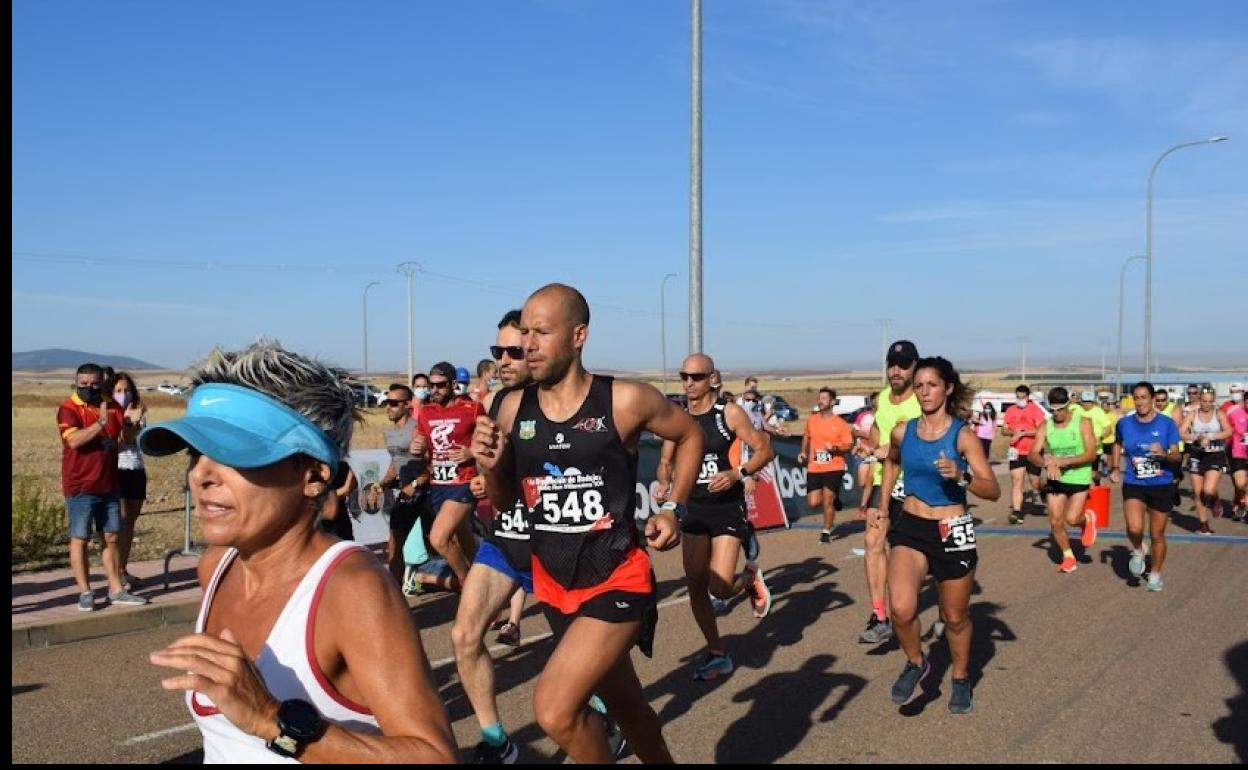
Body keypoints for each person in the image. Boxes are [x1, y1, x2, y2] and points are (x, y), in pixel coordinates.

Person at [141, 341, 457, 762]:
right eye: (196, 454)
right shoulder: (216, 567)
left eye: (233, 454)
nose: (200, 475)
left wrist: (271, 719)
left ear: (313, 475)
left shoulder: (350, 589)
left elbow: (435, 757)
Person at [472, 283, 701, 763]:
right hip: (555, 585)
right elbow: (505, 499)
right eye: (524, 333)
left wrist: (674, 508)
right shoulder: (512, 408)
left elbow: (690, 434)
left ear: (579, 335)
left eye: (541, 332)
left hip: (618, 576)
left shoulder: (624, 400)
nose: (528, 344)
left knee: (554, 710)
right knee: (628, 705)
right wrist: (492, 466)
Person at [874, 356, 999, 714]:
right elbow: (892, 460)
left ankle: (960, 678)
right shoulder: (903, 430)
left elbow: (992, 490)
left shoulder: (963, 435)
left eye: (932, 384)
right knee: (901, 608)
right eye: (919, 385)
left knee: (955, 617)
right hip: (911, 527)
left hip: (952, 529)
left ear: (947, 388)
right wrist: (882, 505)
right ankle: (917, 663)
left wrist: (961, 476)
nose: (925, 391)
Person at [452, 309, 539, 763]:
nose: (503, 360)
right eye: (496, 351)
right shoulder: (499, 402)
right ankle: (497, 741)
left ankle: (608, 711)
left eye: (513, 351)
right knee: (464, 637)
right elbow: (495, 465)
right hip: (505, 539)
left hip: (557, 546)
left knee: (582, 661)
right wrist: (486, 474)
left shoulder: (566, 402)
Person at [656, 353, 774, 681]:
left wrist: (737, 474)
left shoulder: (728, 413)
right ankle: (717, 652)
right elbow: (665, 460)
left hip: (725, 508)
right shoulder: (676, 415)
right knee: (696, 586)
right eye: (684, 376)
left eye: (696, 377)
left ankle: (750, 579)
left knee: (719, 589)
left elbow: (765, 450)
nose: (689, 383)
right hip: (692, 508)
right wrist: (664, 483)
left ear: (712, 379)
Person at [58, 363, 148, 611]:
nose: (89, 388)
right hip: (81, 485)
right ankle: (85, 592)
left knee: (111, 536)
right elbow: (74, 441)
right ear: (76, 383)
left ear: (102, 383)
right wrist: (100, 423)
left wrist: (133, 424)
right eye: (83, 384)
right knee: (80, 538)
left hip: (109, 484)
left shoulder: (114, 406)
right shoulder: (69, 408)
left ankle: (116, 589)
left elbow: (124, 440)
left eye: (94, 384)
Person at [857, 340, 921, 645]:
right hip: (885, 480)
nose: (896, 371)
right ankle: (879, 616)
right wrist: (869, 446)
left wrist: (891, 448)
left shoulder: (923, 399)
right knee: (873, 542)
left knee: (909, 553)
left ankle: (906, 606)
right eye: (891, 365)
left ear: (914, 368)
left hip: (916, 484)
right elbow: (877, 434)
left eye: (903, 365)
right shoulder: (883, 397)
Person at [413, 362, 485, 587]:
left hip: (463, 482)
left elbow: (493, 438)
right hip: (438, 485)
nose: (434, 390)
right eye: (431, 386)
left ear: (453, 384)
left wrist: (471, 451)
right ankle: (485, 587)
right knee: (463, 541)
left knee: (438, 539)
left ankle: (468, 586)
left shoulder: (472, 408)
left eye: (440, 385)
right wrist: (416, 447)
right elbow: (421, 440)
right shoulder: (426, 412)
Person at [1111, 381, 1182, 592]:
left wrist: (1165, 454)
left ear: (1152, 400)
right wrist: (1115, 466)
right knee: (1134, 528)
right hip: (1135, 482)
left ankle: (1155, 574)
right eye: (1137, 398)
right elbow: (1117, 443)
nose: (1140, 402)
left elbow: (1177, 456)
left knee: (1157, 534)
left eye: (1144, 397)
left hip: (1161, 484)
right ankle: (1138, 548)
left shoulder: (1167, 424)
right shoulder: (1124, 423)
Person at [1028, 388, 1099, 573]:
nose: (1057, 413)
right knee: (1055, 521)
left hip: (1078, 476)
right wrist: (1046, 463)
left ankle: (1086, 520)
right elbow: (1033, 453)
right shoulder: (1045, 425)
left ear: (1068, 405)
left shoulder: (1083, 422)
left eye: (1060, 409)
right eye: (1053, 410)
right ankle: (1068, 556)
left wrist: (1064, 461)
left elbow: (1091, 454)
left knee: (1072, 519)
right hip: (1056, 478)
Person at [378, 384, 430, 590]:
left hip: (427, 493)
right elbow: (395, 463)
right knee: (394, 542)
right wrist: (382, 484)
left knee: (439, 543)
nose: (388, 408)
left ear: (407, 405)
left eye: (393, 403)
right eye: (386, 403)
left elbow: (433, 465)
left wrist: (415, 483)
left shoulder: (418, 430)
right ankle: (394, 593)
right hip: (407, 496)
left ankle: (469, 581)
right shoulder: (389, 434)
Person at [111, 371, 150, 590]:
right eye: (118, 391)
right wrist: (129, 422)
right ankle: (114, 571)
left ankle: (123, 568)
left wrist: (136, 422)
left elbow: (140, 439)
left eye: (126, 390)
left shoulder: (139, 410)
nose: (123, 394)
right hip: (118, 468)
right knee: (119, 521)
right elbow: (121, 438)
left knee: (130, 521)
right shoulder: (111, 412)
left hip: (136, 467)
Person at [799, 388, 854, 543]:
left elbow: (849, 445)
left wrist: (835, 448)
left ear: (832, 402)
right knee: (813, 502)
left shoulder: (841, 424)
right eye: (819, 398)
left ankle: (826, 531)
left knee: (827, 500)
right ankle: (836, 498)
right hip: (814, 467)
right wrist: (803, 451)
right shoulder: (812, 420)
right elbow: (806, 435)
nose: (820, 401)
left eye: (824, 398)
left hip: (834, 467)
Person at [1179, 387, 1232, 533]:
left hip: (1215, 455)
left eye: (1210, 401)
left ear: (1213, 401)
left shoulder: (1219, 414)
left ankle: (1214, 499)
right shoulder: (1193, 414)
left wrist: (1211, 436)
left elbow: (1229, 431)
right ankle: (1204, 525)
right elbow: (1181, 432)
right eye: (1204, 401)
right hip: (1197, 455)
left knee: (1208, 489)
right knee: (1197, 492)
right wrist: (1196, 437)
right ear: (1199, 400)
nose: (1207, 404)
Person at [1002, 385, 1046, 524]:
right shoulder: (1010, 410)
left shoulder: (1035, 410)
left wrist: (1024, 433)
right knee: (1017, 481)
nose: (1020, 400)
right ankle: (1017, 512)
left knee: (1035, 481)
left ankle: (1039, 490)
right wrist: (1012, 432)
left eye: (1023, 397)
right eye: (1018, 397)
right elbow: (1004, 430)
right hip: (1016, 451)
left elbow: (1041, 430)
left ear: (1028, 397)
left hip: (1033, 451)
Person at [852, 393, 878, 510]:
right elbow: (853, 431)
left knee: (871, 479)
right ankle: (868, 501)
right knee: (863, 483)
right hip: (862, 452)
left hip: (875, 453)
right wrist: (863, 434)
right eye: (872, 402)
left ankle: (866, 505)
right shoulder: (863, 416)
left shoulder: (883, 417)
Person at [1225, 388, 1248, 521]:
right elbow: (1223, 426)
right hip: (1238, 453)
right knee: (1240, 484)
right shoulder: (1233, 411)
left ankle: (1241, 505)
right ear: (1244, 401)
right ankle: (1240, 501)